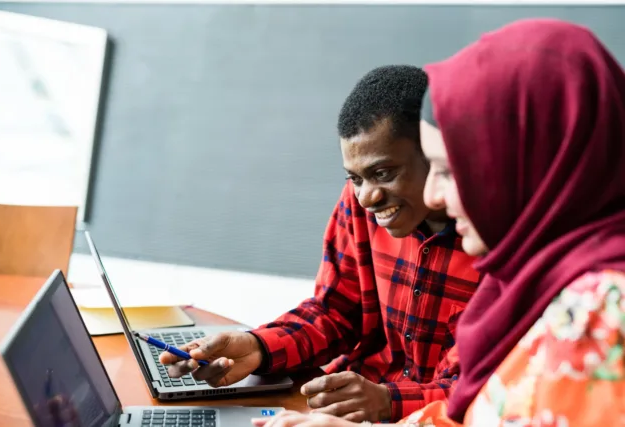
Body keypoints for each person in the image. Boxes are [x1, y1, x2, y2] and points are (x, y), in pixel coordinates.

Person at [249, 17, 625, 427]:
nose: (434, 195)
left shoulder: (601, 306)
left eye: (452, 169)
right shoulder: (532, 262)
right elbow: (336, 309)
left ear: (526, 160)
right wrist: (256, 347)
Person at [160, 65, 481, 423]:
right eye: (354, 178)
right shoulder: (360, 201)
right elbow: (335, 310)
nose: (366, 197)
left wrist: (387, 402)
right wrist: (257, 347)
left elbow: (484, 394)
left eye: (383, 173)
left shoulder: (492, 239)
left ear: (434, 154)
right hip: (339, 407)